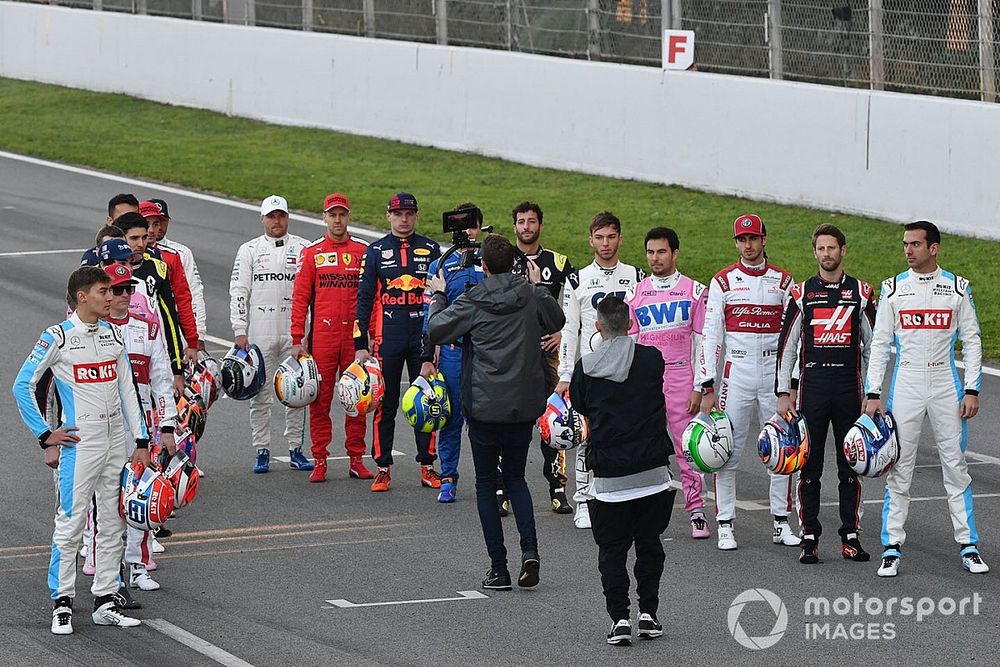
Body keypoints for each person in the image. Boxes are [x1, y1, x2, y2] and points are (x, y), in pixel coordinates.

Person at [12, 266, 149, 634]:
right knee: (70, 525)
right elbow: (22, 385)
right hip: (80, 444)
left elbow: (128, 392)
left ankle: (106, 599)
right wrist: (44, 434)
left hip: (116, 442)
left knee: (113, 523)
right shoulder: (57, 336)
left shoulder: (113, 336)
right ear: (83, 296)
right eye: (104, 291)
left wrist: (140, 441)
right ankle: (62, 602)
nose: (112, 297)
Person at [427, 234, 565, 591]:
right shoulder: (531, 294)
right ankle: (530, 551)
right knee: (517, 479)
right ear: (515, 264)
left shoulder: (472, 298)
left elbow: (438, 329)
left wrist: (439, 295)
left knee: (488, 484)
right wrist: (539, 286)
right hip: (521, 406)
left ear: (483, 266)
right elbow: (557, 319)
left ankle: (499, 567)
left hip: (485, 409)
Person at [864, 220, 987, 577]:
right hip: (907, 382)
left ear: (934, 248)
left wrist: (972, 388)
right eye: (905, 244)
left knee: (955, 467)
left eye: (915, 244)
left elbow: (974, 340)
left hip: (947, 382)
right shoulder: (892, 289)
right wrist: (873, 394)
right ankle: (891, 547)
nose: (908, 250)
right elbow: (880, 346)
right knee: (899, 468)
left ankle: (968, 545)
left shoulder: (957, 288)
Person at [570, 297, 676, 645]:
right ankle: (649, 614)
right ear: (631, 324)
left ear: (598, 326)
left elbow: (580, 406)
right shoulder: (652, 360)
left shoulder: (586, 368)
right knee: (650, 545)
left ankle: (619, 619)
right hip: (652, 473)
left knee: (612, 552)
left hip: (610, 478)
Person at [697, 213, 800, 551]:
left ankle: (781, 522)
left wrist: (792, 383)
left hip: (774, 375)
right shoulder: (723, 282)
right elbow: (710, 335)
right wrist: (707, 385)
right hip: (735, 374)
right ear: (736, 243)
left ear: (764, 238)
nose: (748, 245)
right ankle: (725, 523)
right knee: (726, 449)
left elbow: (794, 339)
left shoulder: (784, 282)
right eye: (742, 240)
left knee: (783, 450)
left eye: (753, 238)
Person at [775, 224, 876, 564]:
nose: (827, 254)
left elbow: (875, 346)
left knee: (852, 464)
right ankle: (809, 536)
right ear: (814, 251)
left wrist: (872, 391)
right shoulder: (801, 292)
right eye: (821, 248)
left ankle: (850, 535)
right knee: (809, 466)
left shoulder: (861, 292)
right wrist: (783, 392)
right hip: (812, 388)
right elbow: (786, 347)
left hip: (849, 388)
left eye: (832, 248)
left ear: (843, 250)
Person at [554, 211, 644, 529]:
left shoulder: (636, 275)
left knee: (626, 435)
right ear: (590, 239)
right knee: (587, 436)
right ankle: (583, 500)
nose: (605, 244)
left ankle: (623, 498)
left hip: (626, 369)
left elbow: (642, 326)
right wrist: (566, 374)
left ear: (620, 238)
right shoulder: (577, 279)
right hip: (590, 370)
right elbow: (568, 329)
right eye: (599, 237)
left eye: (611, 236)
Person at [625, 227, 710, 540]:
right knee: (642, 447)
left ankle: (697, 510)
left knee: (686, 448)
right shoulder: (634, 294)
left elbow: (703, 343)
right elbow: (630, 344)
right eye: (650, 252)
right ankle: (641, 510)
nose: (655, 258)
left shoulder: (694, 291)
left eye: (661, 252)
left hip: (681, 378)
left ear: (675, 253)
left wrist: (700, 387)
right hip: (647, 382)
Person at [354, 192, 442, 492]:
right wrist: (360, 344)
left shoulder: (431, 249)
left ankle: (427, 465)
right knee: (384, 404)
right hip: (387, 337)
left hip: (422, 338)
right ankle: (382, 467)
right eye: (398, 214)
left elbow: (439, 300)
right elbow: (363, 299)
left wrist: (437, 341)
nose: (404, 219)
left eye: (409, 214)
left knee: (428, 402)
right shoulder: (375, 251)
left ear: (416, 215)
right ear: (388, 216)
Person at [101, 263, 179, 591]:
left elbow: (162, 378)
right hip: (105, 426)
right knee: (104, 499)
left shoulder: (147, 326)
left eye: (128, 289)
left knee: (142, 497)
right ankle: (102, 561)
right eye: (116, 289)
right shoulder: (95, 328)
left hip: (142, 428)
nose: (123, 296)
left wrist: (168, 425)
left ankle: (138, 565)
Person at [290, 193, 371, 483]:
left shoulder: (363, 250)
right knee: (320, 400)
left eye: (342, 215)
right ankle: (320, 459)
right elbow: (300, 298)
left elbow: (371, 298)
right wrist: (298, 337)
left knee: (357, 399)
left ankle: (356, 459)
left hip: (354, 338)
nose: (337, 220)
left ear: (348, 217)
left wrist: (371, 337)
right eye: (332, 215)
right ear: (324, 217)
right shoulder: (311, 252)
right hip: (322, 337)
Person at [230, 195, 313, 474]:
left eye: (281, 216)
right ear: (262, 219)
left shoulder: (304, 248)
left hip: (295, 332)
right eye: (271, 216)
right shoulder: (249, 249)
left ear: (288, 217)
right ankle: (262, 449)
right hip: (260, 332)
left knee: (298, 392)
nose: (276, 221)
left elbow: (313, 294)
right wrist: (240, 330)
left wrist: (306, 334)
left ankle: (295, 449)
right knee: (260, 395)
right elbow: (239, 292)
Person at [509, 200, 575, 515]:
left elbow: (578, 306)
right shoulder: (502, 260)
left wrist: (563, 334)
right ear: (514, 226)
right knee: (511, 422)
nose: (526, 227)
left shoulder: (559, 262)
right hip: (514, 356)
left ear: (540, 225)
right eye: (521, 221)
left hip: (549, 356)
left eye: (531, 221)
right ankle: (504, 488)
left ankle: (558, 488)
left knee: (555, 420)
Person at [419, 202, 485, 503]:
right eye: (461, 226)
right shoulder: (440, 264)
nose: (466, 231)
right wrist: (426, 357)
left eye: (471, 225)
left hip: (486, 352)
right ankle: (448, 477)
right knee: (450, 417)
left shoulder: (492, 259)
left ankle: (491, 480)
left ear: (480, 227)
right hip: (453, 353)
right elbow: (428, 315)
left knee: (486, 419)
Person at [102, 221, 188, 385]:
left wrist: (177, 368)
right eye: (134, 238)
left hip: (143, 361)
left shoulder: (150, 278)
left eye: (129, 262)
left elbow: (169, 322)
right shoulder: (90, 288)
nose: (141, 243)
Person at [141, 198, 208, 346]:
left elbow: (192, 294)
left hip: (173, 325)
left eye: (160, 221)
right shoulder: (130, 253)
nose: (154, 228)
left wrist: (198, 334)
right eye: (147, 223)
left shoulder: (179, 253)